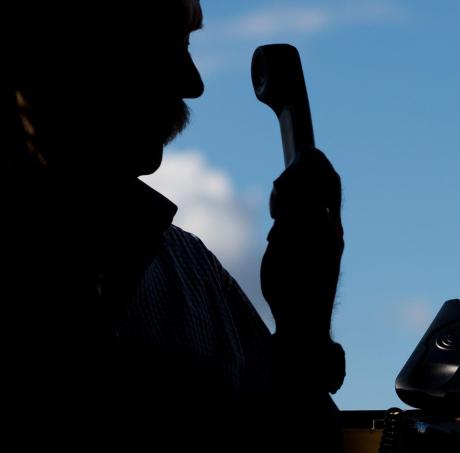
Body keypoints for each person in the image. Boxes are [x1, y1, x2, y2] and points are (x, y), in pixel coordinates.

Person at [3, 0, 345, 447]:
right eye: (163, 43)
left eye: (186, 43)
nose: (194, 83)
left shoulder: (191, 270)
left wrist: (304, 327)